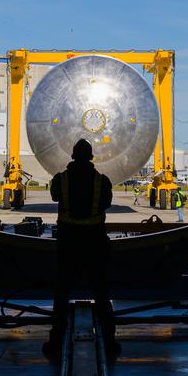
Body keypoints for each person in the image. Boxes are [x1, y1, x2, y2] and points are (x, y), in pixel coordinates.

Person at [45, 139, 119, 360]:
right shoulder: (101, 181)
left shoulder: (61, 179)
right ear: (91, 157)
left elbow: (55, 196)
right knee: (102, 293)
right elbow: (105, 203)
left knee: (61, 294)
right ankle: (110, 340)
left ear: (72, 156)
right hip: (94, 241)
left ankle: (55, 340)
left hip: (68, 242)